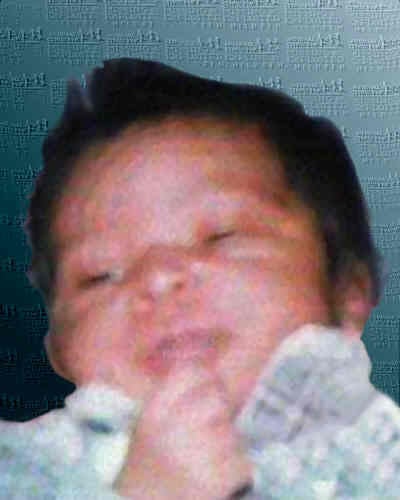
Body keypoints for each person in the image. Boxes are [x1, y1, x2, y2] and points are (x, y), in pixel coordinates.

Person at [0, 57, 398, 499]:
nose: (158, 277)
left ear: (349, 293)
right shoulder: (31, 467)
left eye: (222, 237)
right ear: (60, 350)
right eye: (100, 276)